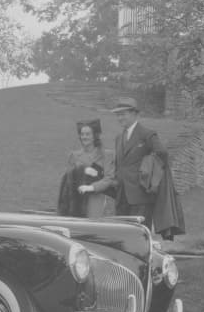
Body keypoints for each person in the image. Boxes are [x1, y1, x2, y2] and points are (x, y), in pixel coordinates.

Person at [108, 96, 168, 228]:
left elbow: (162, 154)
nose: (119, 118)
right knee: (121, 234)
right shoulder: (119, 138)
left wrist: (149, 178)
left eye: (123, 114)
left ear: (134, 114)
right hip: (121, 197)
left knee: (140, 234)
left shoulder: (147, 134)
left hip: (141, 197)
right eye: (118, 115)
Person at [70, 119, 116, 218]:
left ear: (94, 136)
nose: (84, 137)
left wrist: (92, 187)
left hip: (98, 199)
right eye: (82, 134)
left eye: (88, 134)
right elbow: (69, 177)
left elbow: (109, 178)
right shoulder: (74, 155)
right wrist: (82, 170)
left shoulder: (107, 155)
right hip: (79, 199)